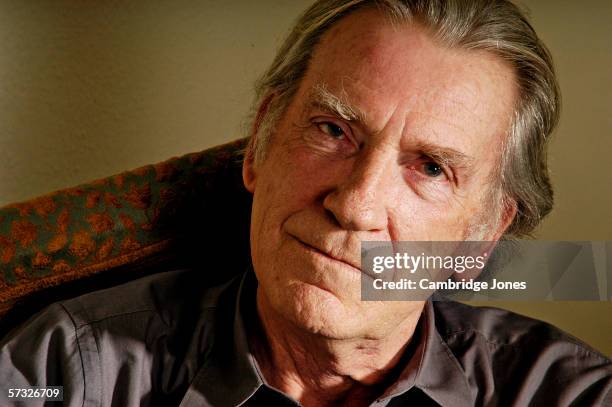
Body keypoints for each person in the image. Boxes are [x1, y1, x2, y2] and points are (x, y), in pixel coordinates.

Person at [1, 1, 610, 406]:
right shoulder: (67, 372)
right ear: (260, 145)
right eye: (333, 130)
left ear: (479, 241)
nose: (355, 204)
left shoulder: (569, 394)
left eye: (430, 168)